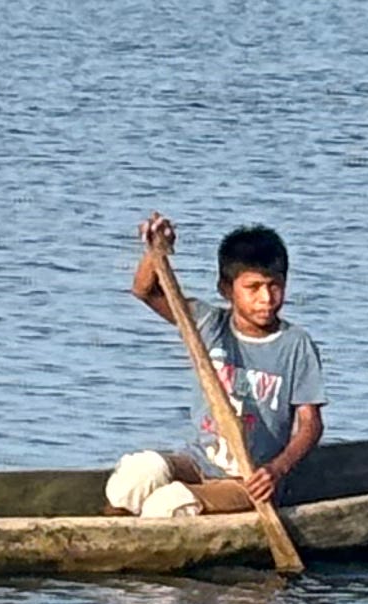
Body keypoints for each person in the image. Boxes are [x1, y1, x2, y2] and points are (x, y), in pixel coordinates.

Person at [113, 213, 324, 519]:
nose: (266, 298)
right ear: (226, 289)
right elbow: (145, 290)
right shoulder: (207, 324)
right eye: (253, 288)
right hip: (198, 462)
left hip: (249, 481)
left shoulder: (295, 345)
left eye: (275, 286)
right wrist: (158, 250)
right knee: (136, 475)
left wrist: (276, 470)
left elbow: (310, 425)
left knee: (167, 504)